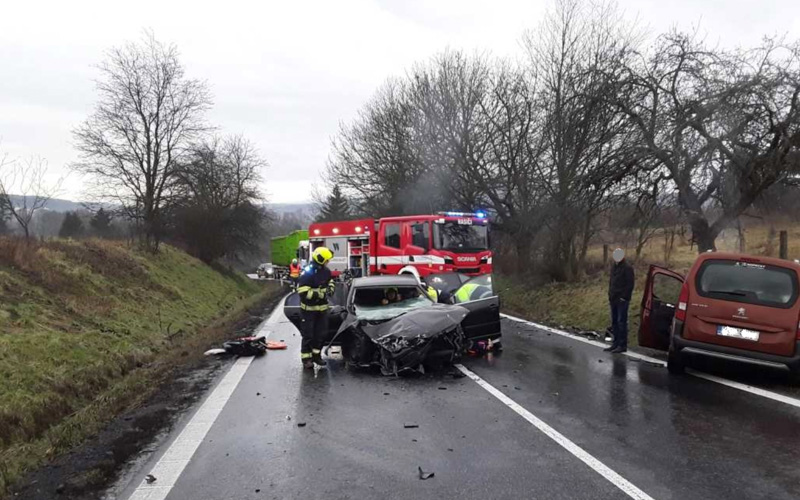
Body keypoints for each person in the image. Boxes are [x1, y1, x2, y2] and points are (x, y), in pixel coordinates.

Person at [296, 247, 336, 369]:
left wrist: (330, 289)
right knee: (308, 335)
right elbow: (302, 291)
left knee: (321, 334)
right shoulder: (307, 273)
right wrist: (320, 294)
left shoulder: (326, 271)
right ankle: (306, 359)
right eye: (326, 260)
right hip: (308, 310)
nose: (327, 262)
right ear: (320, 259)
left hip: (322, 310)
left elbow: (331, 282)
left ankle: (316, 356)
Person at [605, 248, 635, 354]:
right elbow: (611, 282)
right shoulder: (614, 267)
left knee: (621, 322)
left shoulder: (627, 268)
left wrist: (624, 297)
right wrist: (610, 294)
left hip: (622, 299)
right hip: (613, 298)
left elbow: (630, 284)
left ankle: (622, 345)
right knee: (614, 322)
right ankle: (615, 343)